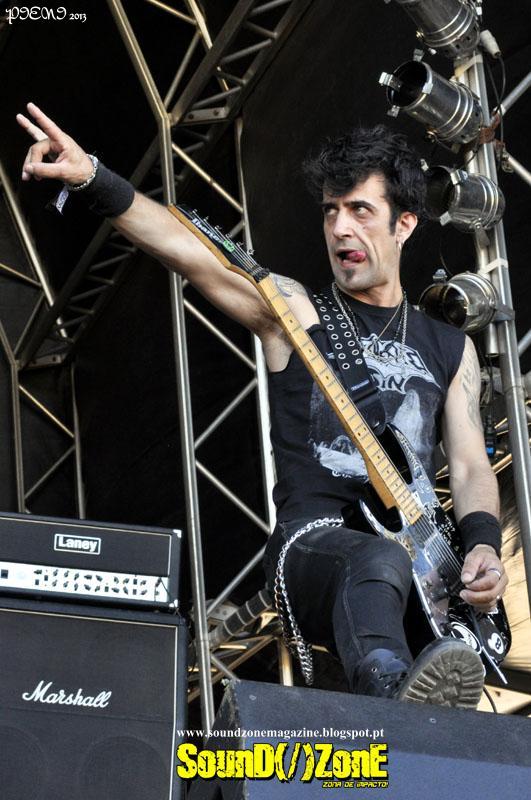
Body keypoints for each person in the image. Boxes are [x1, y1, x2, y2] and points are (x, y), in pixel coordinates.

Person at [17, 102, 508, 708]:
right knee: (375, 558)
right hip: (313, 542)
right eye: (330, 211)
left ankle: (414, 713)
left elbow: (470, 465)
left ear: (404, 224)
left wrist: (482, 545)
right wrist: (92, 176)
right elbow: (187, 251)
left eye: (359, 210)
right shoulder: (297, 312)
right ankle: (394, 704)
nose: (340, 229)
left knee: (390, 570)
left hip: (422, 564)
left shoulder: (450, 347)